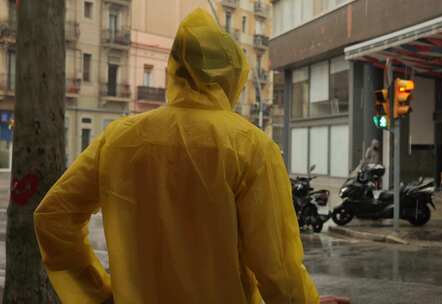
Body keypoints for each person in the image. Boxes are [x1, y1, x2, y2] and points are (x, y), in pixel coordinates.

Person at [34, 9, 319, 304]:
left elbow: (54, 218)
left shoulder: (117, 139)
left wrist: (98, 295)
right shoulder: (252, 147)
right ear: (232, 78)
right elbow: (278, 269)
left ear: (174, 70)